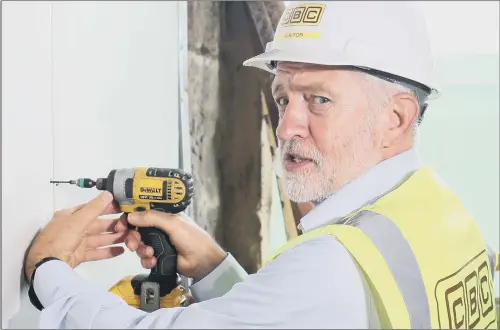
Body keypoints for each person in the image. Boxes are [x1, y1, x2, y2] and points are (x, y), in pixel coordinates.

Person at [23, 1, 498, 329]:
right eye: (282, 96)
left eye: (318, 100)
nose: (287, 125)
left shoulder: (331, 266)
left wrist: (48, 270)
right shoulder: (436, 212)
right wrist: (215, 271)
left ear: (395, 118)